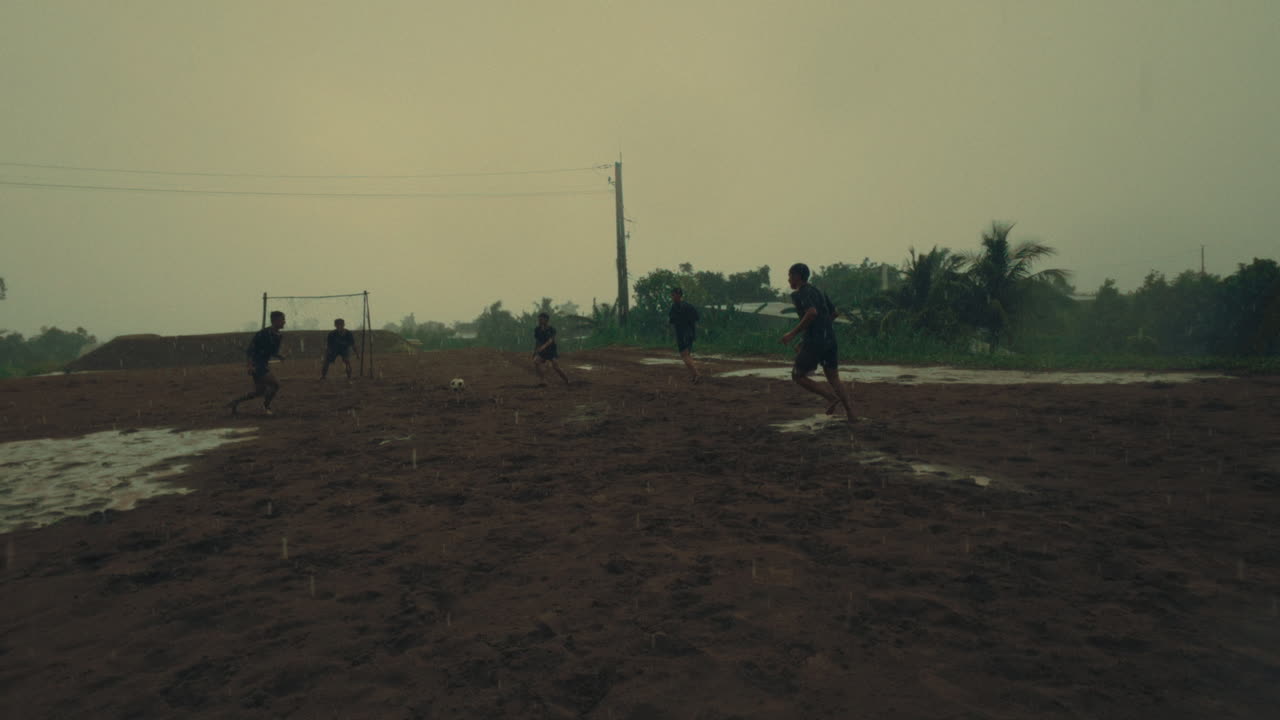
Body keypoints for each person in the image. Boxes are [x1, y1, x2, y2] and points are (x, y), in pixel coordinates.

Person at [780, 263, 855, 422]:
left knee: (797, 375)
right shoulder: (818, 291)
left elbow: (812, 313)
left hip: (815, 341)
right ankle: (851, 414)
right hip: (830, 340)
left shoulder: (800, 294)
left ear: (797, 277)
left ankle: (830, 397)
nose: (788, 280)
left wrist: (792, 334)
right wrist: (821, 330)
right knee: (834, 378)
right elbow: (833, 313)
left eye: (790, 275)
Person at [229, 311, 286, 416]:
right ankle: (266, 407)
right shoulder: (263, 333)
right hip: (257, 364)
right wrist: (250, 365)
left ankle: (235, 402)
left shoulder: (279, 336)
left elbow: (272, 351)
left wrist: (279, 356)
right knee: (275, 384)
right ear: (275, 321)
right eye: (282, 320)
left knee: (259, 392)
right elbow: (250, 350)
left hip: (263, 364)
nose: (284, 322)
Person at [668, 287, 701, 384]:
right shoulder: (689, 306)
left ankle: (696, 374)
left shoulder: (675, 307)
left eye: (673, 295)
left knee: (684, 355)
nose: (672, 297)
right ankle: (694, 375)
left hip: (682, 334)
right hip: (690, 333)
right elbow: (696, 318)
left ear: (678, 295)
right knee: (687, 355)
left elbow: (671, 321)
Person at [532, 312, 570, 386]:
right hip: (542, 350)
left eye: (541, 319)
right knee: (536, 361)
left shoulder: (552, 329)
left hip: (551, 350)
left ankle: (566, 380)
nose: (539, 321)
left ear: (546, 320)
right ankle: (543, 381)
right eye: (539, 319)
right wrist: (535, 351)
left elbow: (551, 340)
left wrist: (543, 347)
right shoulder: (537, 329)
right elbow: (538, 341)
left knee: (556, 367)